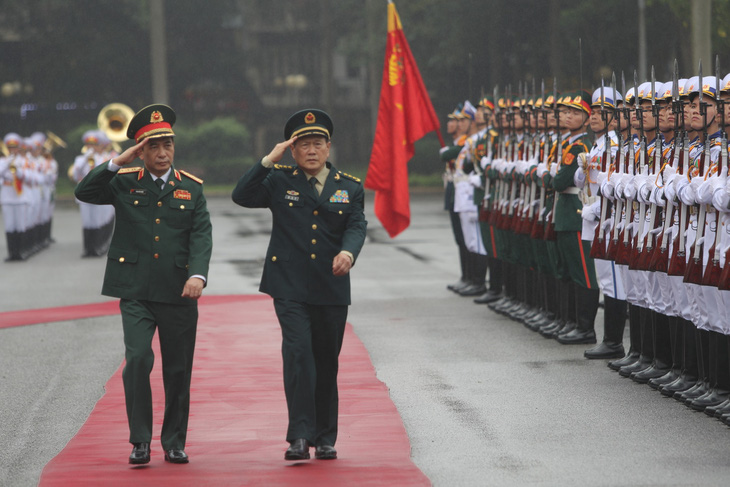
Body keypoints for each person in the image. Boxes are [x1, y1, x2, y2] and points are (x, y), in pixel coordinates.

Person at [74, 104, 212, 465]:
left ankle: (174, 441)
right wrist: (119, 161)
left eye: (167, 145)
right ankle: (140, 440)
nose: (162, 153)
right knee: (137, 360)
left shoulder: (191, 189)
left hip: (178, 291)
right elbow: (85, 192)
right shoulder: (123, 181)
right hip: (135, 289)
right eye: (153, 147)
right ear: (140, 150)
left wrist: (197, 275)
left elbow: (201, 236)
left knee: (178, 369)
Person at [231, 109, 367, 461]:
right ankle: (299, 435)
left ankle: (325, 437)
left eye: (317, 143)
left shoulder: (349, 187)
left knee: (325, 361)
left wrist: (348, 254)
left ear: (328, 147)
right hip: (288, 285)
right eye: (303, 144)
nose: (311, 150)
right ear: (292, 150)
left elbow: (356, 226)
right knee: (298, 355)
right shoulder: (279, 180)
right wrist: (267, 160)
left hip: (331, 286)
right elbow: (241, 195)